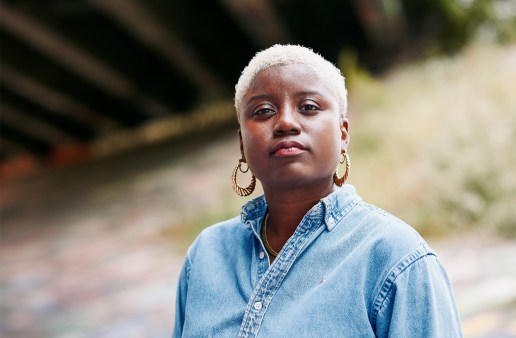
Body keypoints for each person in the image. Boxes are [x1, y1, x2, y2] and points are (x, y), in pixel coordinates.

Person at [173, 44, 463, 337]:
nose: (286, 122)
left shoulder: (396, 259)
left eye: (309, 107)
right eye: (263, 111)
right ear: (242, 145)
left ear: (343, 134)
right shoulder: (206, 254)